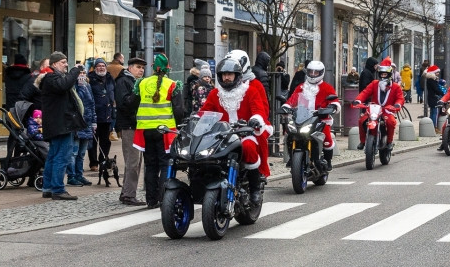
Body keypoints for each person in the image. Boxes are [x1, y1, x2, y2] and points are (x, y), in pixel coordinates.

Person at [197, 57, 272, 204]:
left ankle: (255, 188)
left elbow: (259, 110)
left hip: (244, 133)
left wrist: (256, 119)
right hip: (221, 135)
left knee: (249, 147)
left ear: (237, 75)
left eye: (230, 74)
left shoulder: (250, 91)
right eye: (223, 74)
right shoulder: (215, 94)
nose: (226, 77)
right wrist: (195, 119)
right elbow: (205, 112)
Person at [132, 54, 185, 208]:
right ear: (167, 68)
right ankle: (163, 198)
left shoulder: (142, 83)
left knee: (150, 166)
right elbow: (179, 110)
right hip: (164, 131)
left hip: (145, 130)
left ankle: (151, 200)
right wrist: (179, 126)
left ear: (153, 68)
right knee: (164, 164)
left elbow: (132, 102)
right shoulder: (172, 85)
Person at [38, 52, 86, 201]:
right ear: (54, 64)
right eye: (63, 62)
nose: (66, 64)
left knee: (53, 156)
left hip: (58, 123)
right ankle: (58, 189)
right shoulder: (52, 78)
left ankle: (48, 187)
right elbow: (64, 85)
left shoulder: (51, 78)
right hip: (60, 124)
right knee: (62, 157)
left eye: (66, 62)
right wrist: (75, 70)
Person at [285, 60, 340, 169]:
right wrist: (286, 107)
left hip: (321, 120)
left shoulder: (327, 87)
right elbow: (292, 99)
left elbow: (334, 100)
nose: (313, 75)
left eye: (316, 72)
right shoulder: (301, 87)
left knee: (327, 138)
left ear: (321, 73)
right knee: (290, 135)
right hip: (302, 118)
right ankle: (292, 158)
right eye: (311, 72)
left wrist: (332, 107)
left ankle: (327, 160)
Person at [353, 58, 404, 151]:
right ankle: (363, 141)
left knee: (391, 122)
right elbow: (365, 92)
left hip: (387, 110)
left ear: (389, 75)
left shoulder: (396, 87)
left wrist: (397, 105)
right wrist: (358, 100)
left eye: (385, 74)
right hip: (374, 109)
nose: (383, 76)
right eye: (381, 74)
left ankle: (389, 142)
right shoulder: (374, 83)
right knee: (362, 120)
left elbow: (400, 98)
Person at [115, 57, 146, 206]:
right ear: (130, 68)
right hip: (129, 125)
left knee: (135, 161)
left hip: (135, 125)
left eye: (142, 68)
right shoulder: (123, 82)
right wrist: (137, 93)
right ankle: (128, 195)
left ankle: (126, 192)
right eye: (138, 67)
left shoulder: (133, 81)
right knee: (132, 161)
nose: (141, 70)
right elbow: (125, 104)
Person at [87, 58, 116, 172]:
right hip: (95, 115)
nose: (101, 68)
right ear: (95, 67)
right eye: (98, 66)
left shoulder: (110, 78)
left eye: (103, 65)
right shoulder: (90, 79)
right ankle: (93, 163)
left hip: (108, 115)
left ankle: (103, 161)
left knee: (105, 141)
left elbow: (113, 93)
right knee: (93, 141)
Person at [70, 68, 96, 187]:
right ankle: (72, 175)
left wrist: (94, 122)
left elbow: (91, 104)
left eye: (83, 73)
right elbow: (77, 101)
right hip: (77, 123)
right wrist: (80, 86)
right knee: (74, 152)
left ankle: (79, 174)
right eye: (79, 73)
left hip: (87, 123)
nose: (82, 75)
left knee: (81, 153)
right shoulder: (73, 86)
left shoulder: (88, 86)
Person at [425, 65, 444, 130]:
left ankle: (431, 127)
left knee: (432, 112)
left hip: (431, 98)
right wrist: (442, 93)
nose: (438, 74)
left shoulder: (430, 80)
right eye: (437, 73)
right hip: (434, 98)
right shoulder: (432, 81)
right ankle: (434, 127)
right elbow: (436, 89)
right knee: (435, 113)